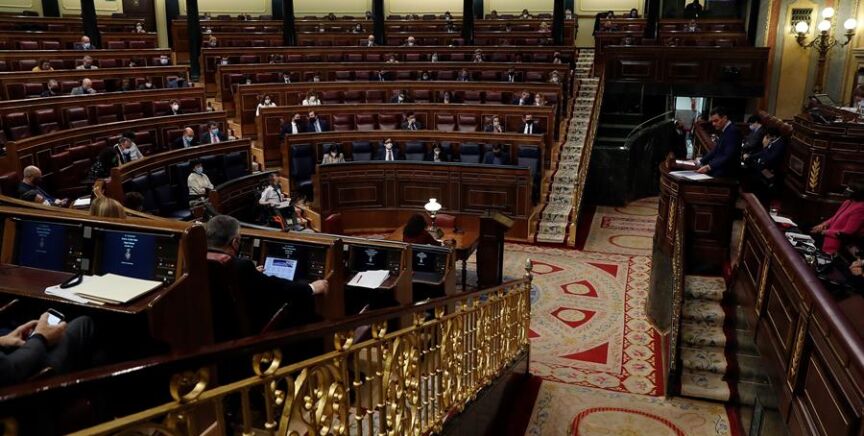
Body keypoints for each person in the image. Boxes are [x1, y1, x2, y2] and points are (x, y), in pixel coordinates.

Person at [205, 215, 328, 332]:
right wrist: (311, 287)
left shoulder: (197, 260)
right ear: (235, 242)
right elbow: (277, 287)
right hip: (240, 336)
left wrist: (253, 275)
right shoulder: (240, 266)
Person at [0, 313, 95, 386]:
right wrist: (40, 337)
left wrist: (2, 341)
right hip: (19, 383)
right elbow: (11, 369)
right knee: (83, 323)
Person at [810, 179, 864, 255]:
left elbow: (847, 232)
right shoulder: (848, 202)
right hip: (827, 236)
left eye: (850, 188)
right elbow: (835, 217)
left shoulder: (861, 208)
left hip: (836, 244)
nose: (847, 189)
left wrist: (825, 232)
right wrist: (823, 224)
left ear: (857, 192)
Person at [696, 107, 742, 176]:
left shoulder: (733, 131)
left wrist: (709, 166)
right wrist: (700, 161)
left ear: (725, 118)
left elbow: (728, 155)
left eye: (716, 121)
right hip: (721, 169)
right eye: (712, 121)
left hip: (727, 172)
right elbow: (715, 151)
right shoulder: (725, 130)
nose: (713, 124)